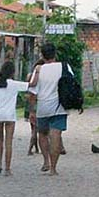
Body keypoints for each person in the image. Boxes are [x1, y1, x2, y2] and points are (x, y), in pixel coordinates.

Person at [27, 42, 70, 175]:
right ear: (55, 54)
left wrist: (32, 111)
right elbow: (71, 83)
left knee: (43, 134)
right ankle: (53, 168)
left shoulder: (39, 70)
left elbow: (32, 93)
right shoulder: (64, 66)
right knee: (56, 135)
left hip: (43, 107)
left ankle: (46, 161)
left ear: (42, 55)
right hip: (60, 107)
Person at [0, 61, 29, 175]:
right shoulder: (15, 84)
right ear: (12, 72)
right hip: (10, 115)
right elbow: (30, 85)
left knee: (0, 140)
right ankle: (7, 169)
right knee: (8, 142)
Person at [25, 59, 44, 156]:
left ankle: (35, 148)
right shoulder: (42, 78)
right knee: (36, 130)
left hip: (30, 104)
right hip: (38, 104)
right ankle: (30, 149)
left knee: (33, 128)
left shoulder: (30, 76)